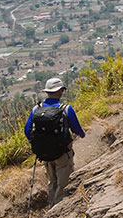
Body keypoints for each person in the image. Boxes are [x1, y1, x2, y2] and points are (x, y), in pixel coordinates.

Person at [24, 77, 86, 207]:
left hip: (44, 153)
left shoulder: (36, 109)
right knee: (63, 182)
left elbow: (27, 130)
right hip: (62, 152)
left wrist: (37, 143)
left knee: (52, 181)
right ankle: (58, 211)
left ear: (47, 92)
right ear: (60, 91)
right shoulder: (66, 109)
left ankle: (52, 205)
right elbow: (77, 129)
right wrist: (82, 135)